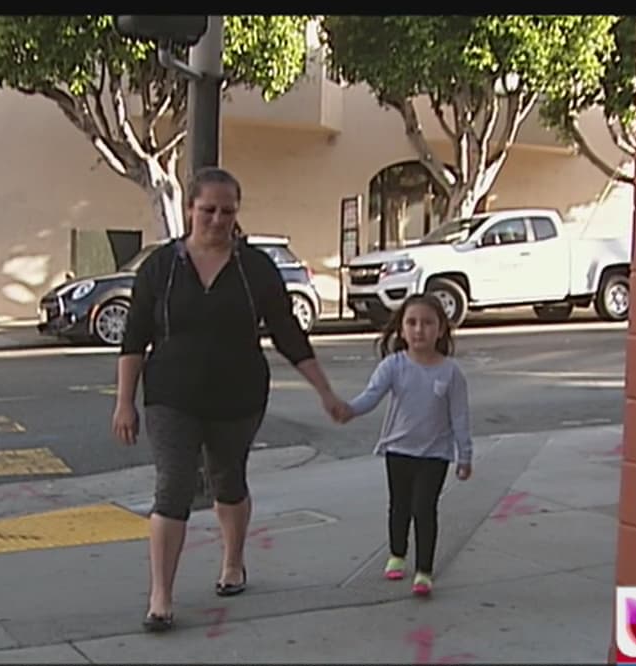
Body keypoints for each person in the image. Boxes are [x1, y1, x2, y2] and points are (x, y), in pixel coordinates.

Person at [111, 166, 351, 632]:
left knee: (228, 479)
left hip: (238, 395)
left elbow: (287, 333)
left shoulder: (254, 268)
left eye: (228, 211)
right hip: (170, 395)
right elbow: (135, 337)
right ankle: (161, 596)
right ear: (190, 209)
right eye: (208, 210)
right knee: (173, 486)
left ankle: (233, 562)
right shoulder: (161, 266)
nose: (218, 220)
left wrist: (325, 391)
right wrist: (124, 402)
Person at [335, 294, 472, 597]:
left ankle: (424, 571)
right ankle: (397, 553)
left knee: (424, 508)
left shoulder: (451, 373)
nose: (419, 329)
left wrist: (465, 456)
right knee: (400, 506)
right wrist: (349, 410)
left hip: (435, 454)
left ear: (441, 329)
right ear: (401, 329)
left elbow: (460, 417)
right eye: (412, 322)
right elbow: (371, 396)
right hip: (399, 450)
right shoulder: (393, 366)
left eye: (428, 323)